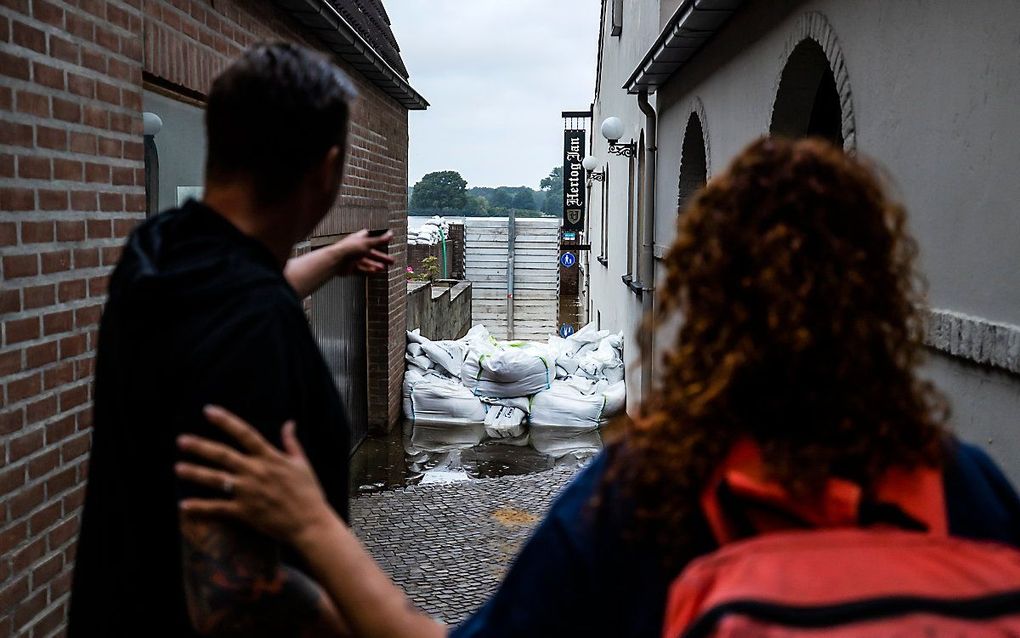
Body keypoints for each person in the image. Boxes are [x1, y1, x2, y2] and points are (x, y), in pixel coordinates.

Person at [174, 137, 1020, 637]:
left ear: (705, 293)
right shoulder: (970, 489)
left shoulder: (642, 501)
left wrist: (312, 527)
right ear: (882, 295)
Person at [68, 42, 396, 637]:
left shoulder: (158, 250)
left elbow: (244, 293)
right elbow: (235, 595)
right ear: (325, 171)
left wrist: (332, 258)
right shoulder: (255, 327)